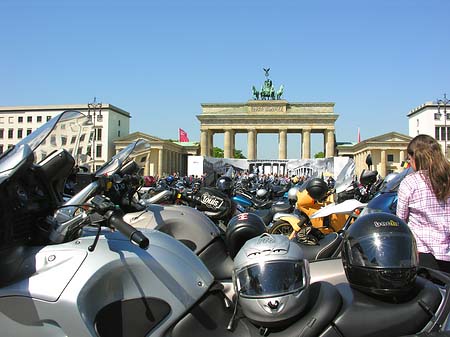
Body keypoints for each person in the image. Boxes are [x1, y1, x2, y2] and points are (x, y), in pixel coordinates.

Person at [396, 134, 450, 272]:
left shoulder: (410, 182)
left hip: (423, 254)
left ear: (415, 158)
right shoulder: (447, 178)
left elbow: (400, 220)